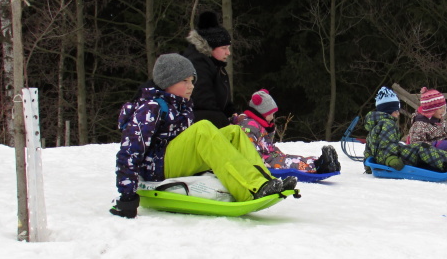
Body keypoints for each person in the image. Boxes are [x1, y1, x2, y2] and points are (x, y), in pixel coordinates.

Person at [110, 53, 297, 218]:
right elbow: (130, 151)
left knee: (234, 132)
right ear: (167, 82)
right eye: (185, 81)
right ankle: (253, 187)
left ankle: (265, 181)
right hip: (157, 167)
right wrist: (127, 197)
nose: (191, 86)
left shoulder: (182, 106)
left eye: (192, 81)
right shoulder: (150, 107)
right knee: (203, 129)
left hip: (177, 161)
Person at [232, 89, 340, 173]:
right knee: (289, 164)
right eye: (270, 114)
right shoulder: (248, 126)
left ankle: (322, 161)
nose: (272, 117)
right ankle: (319, 166)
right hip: (264, 161)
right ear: (261, 113)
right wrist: (261, 162)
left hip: (271, 155)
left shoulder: (259, 123)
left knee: (292, 158)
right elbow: (249, 149)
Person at [363, 86, 447, 173]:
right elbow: (388, 144)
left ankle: (445, 161)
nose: (398, 114)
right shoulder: (388, 124)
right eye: (396, 111)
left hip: (383, 159)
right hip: (390, 160)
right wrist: (391, 159)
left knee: (406, 146)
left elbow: (369, 147)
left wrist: (368, 164)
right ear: (388, 111)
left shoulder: (374, 125)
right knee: (421, 148)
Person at [182, 11, 234, 127]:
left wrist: (233, 114)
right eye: (224, 48)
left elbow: (223, 100)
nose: (228, 52)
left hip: (211, 121)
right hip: (202, 124)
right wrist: (226, 123)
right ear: (209, 47)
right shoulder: (197, 63)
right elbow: (203, 102)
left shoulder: (215, 64)